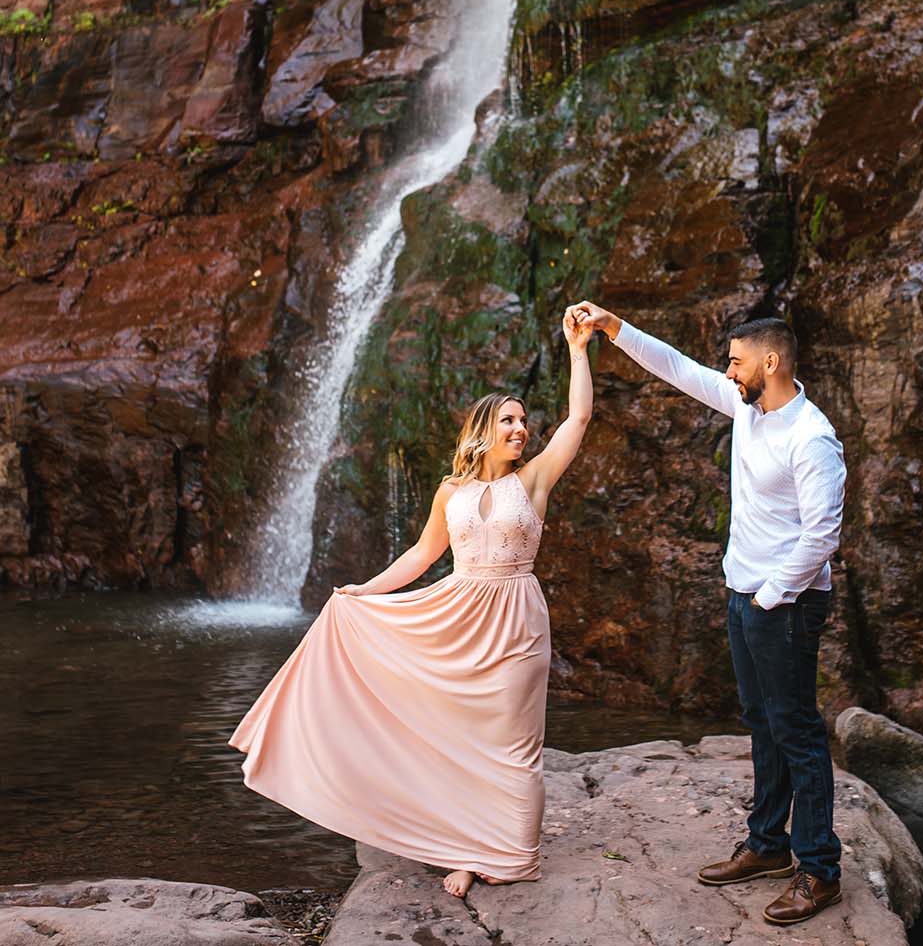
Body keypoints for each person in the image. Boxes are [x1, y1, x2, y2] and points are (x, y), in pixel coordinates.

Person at [229, 310, 594, 899]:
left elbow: (579, 417)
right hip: (458, 614)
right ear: (481, 430)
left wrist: (578, 349)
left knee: (514, 741)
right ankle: (468, 850)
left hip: (517, 616)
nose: (521, 428)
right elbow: (422, 556)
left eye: (524, 420)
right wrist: (364, 593)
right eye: (508, 420)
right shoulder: (451, 491)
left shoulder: (535, 481)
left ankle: (514, 853)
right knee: (460, 739)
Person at [567, 301, 846, 927]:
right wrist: (614, 328)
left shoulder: (812, 436)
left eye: (736, 362)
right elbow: (677, 368)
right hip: (745, 595)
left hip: (788, 603)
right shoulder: (747, 409)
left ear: (769, 363)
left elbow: (822, 535)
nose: (726, 371)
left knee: (798, 731)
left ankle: (819, 870)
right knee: (760, 720)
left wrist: (770, 597)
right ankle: (768, 845)